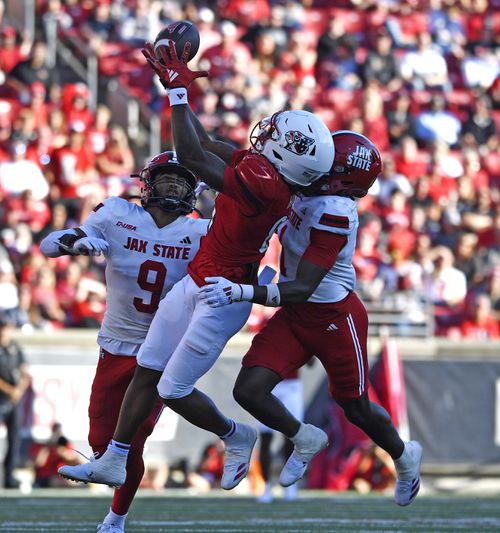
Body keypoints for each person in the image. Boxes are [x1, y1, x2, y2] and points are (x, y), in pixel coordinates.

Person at [58, 40, 335, 494]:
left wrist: (177, 93)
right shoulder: (267, 171)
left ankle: (236, 434)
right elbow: (204, 142)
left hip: (222, 297)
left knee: (171, 388)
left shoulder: (266, 185)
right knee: (147, 367)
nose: (264, 135)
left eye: (276, 137)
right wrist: (183, 85)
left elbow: (189, 156)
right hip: (198, 280)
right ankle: (114, 459)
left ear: (287, 157)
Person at [200, 131, 423, 507]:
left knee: (355, 405)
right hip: (296, 313)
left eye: (328, 162)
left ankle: (403, 456)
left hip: (333, 315)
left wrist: (243, 292)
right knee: (248, 391)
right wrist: (192, 129)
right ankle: (303, 436)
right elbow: (238, 158)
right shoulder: (307, 187)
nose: (314, 164)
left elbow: (302, 287)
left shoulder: (336, 211)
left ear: (341, 178)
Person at [40, 152, 208, 533]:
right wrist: (73, 242)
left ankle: (116, 519)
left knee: (132, 440)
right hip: (115, 342)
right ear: (146, 184)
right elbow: (49, 245)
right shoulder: (116, 214)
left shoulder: (202, 232)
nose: (171, 187)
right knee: (100, 439)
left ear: (193, 190)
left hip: (161, 347)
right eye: (165, 179)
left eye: (180, 182)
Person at [0, 314, 30, 489]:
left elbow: (25, 373)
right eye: (1, 327)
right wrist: (8, 389)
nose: (4, 331)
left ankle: (9, 475)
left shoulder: (15, 349)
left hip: (13, 400)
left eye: (6, 327)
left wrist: (19, 390)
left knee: (14, 439)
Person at [256, 368, 303, 503]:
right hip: (267, 383)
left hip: (291, 385)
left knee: (291, 436)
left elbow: (310, 362)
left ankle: (289, 484)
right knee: (266, 437)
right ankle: (266, 486)